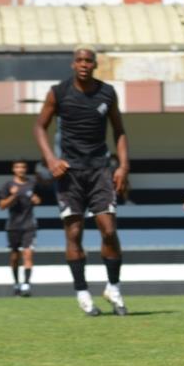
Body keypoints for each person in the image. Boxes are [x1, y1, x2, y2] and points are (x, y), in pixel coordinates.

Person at [34, 45, 130, 317]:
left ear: (95, 65)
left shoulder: (107, 93)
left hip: (100, 169)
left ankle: (113, 287)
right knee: (74, 233)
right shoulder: (58, 92)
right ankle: (82, 292)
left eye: (89, 60)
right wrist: (51, 160)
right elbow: (39, 126)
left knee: (109, 230)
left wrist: (123, 166)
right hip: (69, 173)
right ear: (72, 65)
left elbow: (120, 131)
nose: (84, 64)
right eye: (79, 60)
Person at [0, 159, 41, 297]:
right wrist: (14, 195)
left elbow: (38, 200)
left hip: (29, 225)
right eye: (17, 167)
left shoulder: (32, 183)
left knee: (28, 254)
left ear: (26, 169)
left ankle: (26, 285)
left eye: (23, 167)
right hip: (13, 226)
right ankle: (16, 283)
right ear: (13, 169)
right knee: (14, 257)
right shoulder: (7, 185)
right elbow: (2, 206)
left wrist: (36, 200)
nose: (20, 169)